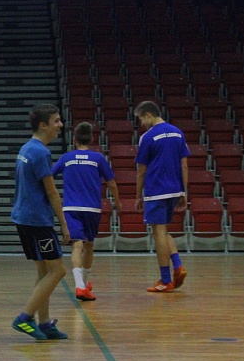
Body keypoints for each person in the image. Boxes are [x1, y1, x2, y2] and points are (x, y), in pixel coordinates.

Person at [10, 104, 71, 342]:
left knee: (44, 271)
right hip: (37, 220)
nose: (60, 125)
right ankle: (25, 318)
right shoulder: (40, 153)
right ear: (43, 125)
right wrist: (64, 224)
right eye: (56, 121)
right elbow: (52, 192)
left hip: (24, 218)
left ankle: (44, 323)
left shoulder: (27, 148)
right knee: (58, 270)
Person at [51, 122, 122, 302]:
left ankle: (80, 286)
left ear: (74, 139)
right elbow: (112, 182)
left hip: (71, 208)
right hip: (92, 208)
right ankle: (83, 284)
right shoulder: (97, 158)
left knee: (77, 245)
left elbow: (49, 176)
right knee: (89, 245)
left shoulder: (66, 158)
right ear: (92, 139)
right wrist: (117, 202)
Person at [133, 101, 189, 293]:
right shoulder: (178, 132)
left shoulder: (147, 137)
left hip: (156, 190)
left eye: (141, 119)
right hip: (175, 189)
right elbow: (184, 165)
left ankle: (165, 280)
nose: (141, 124)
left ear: (148, 115)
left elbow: (141, 170)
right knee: (163, 231)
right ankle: (178, 265)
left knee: (158, 234)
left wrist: (138, 195)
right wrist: (184, 192)